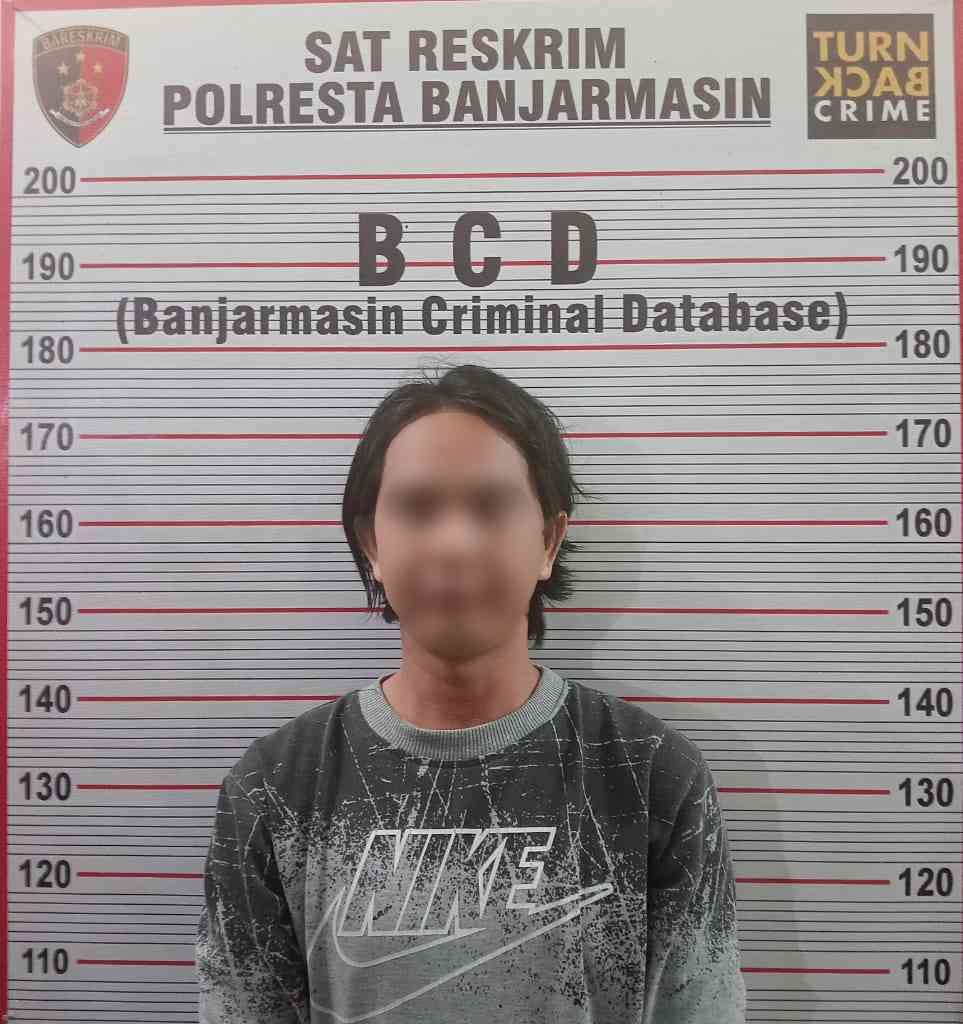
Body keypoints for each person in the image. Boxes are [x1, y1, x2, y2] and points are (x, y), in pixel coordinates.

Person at [195, 362, 747, 1023]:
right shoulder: (274, 790)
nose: (454, 543)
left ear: (548, 541)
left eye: (490, 506)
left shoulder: (653, 777)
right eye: (418, 508)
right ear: (372, 543)